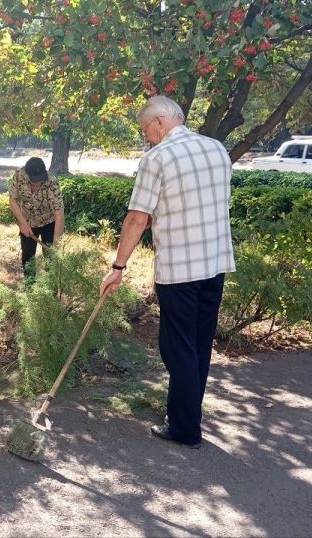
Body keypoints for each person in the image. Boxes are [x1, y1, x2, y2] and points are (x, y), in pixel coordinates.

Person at [100, 96, 235, 449]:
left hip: (180, 268)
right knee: (199, 344)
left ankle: (185, 428)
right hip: (215, 264)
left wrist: (118, 268)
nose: (147, 138)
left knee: (177, 348)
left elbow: (137, 218)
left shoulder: (157, 158)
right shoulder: (216, 148)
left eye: (146, 131)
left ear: (160, 122)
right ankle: (188, 413)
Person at [9, 157, 65, 279]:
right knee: (28, 256)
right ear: (27, 173)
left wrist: (56, 241)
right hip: (27, 221)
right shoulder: (19, 175)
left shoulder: (52, 182)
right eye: (34, 181)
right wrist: (23, 223)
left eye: (40, 180)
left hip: (49, 222)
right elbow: (13, 200)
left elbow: (59, 213)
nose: (38, 183)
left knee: (50, 257)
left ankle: (52, 289)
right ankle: (30, 289)